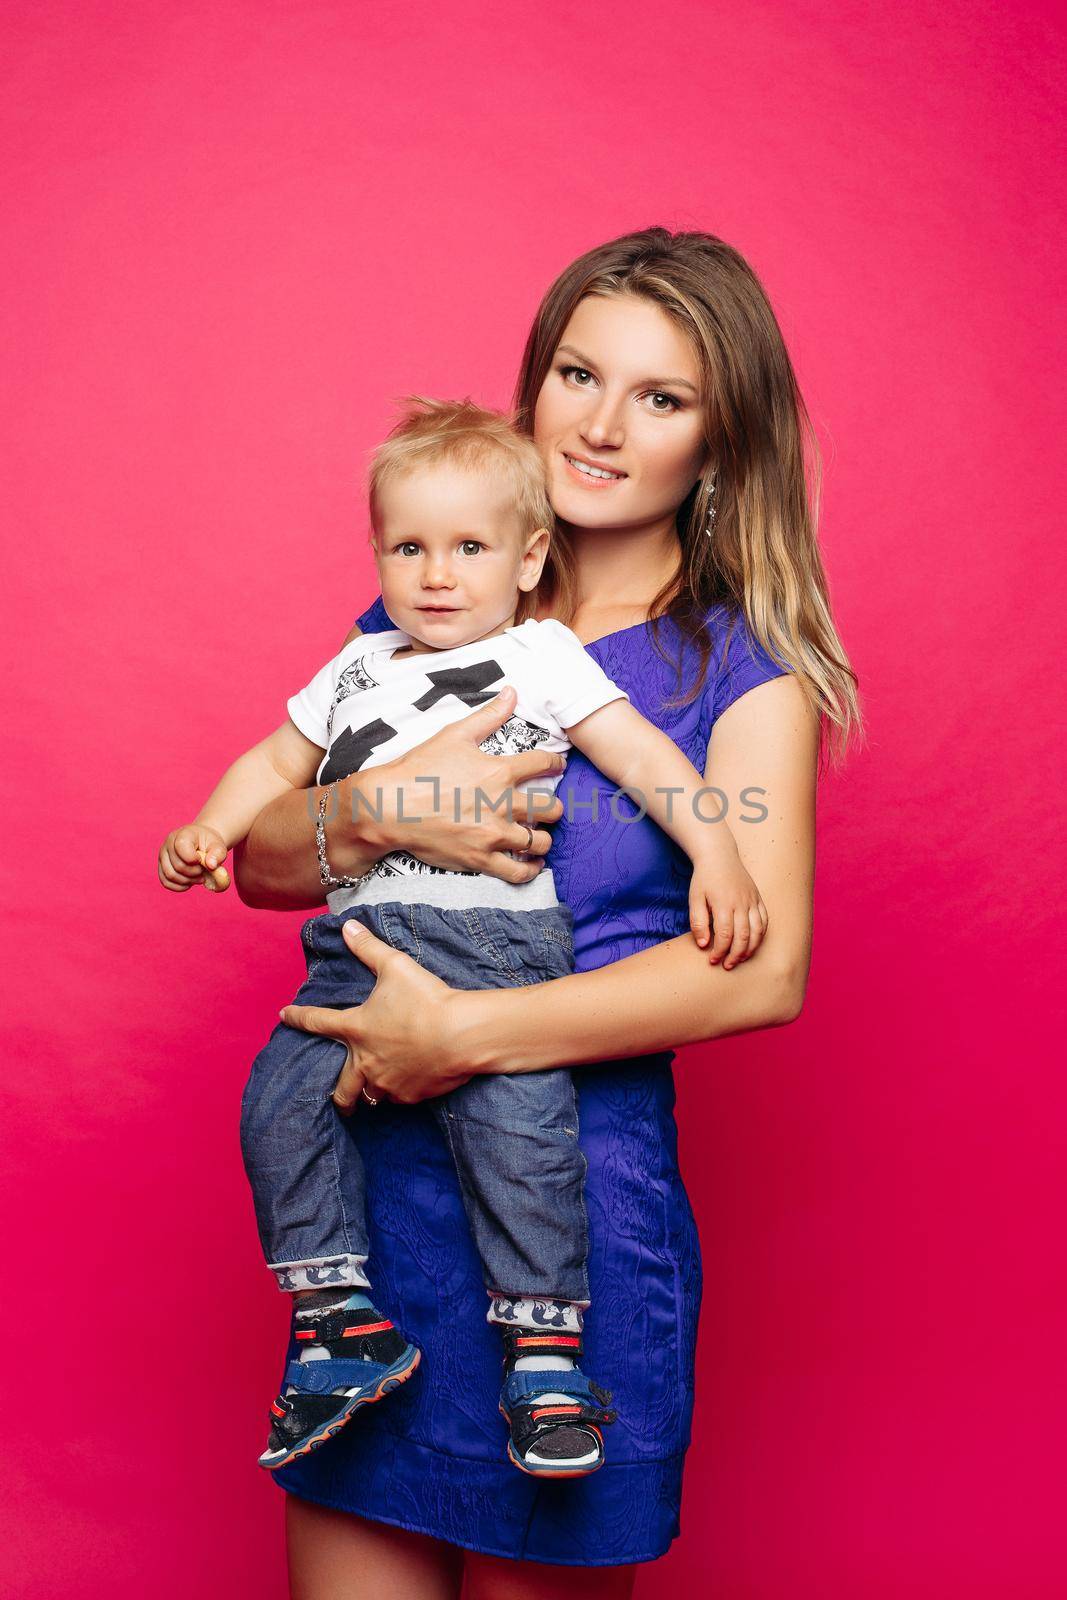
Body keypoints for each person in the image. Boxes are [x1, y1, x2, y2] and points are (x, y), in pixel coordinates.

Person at [232, 228, 858, 1596]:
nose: (598, 422)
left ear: (717, 444)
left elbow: (756, 976)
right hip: (372, 1220)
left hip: (569, 1221)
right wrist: (384, 809)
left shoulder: (739, 670)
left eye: (659, 396)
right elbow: (262, 860)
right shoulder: (437, 600)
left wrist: (458, 1031)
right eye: (578, 371)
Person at [158, 397, 770, 1479]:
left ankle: (545, 1354)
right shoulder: (356, 665)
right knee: (278, 1103)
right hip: (353, 953)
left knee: (521, 1134)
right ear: (378, 554)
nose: (437, 575)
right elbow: (268, 771)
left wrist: (718, 850)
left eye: (469, 548)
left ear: (528, 560)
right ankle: (339, 1322)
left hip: (494, 948)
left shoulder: (539, 655)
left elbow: (645, 761)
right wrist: (212, 822)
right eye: (409, 547)